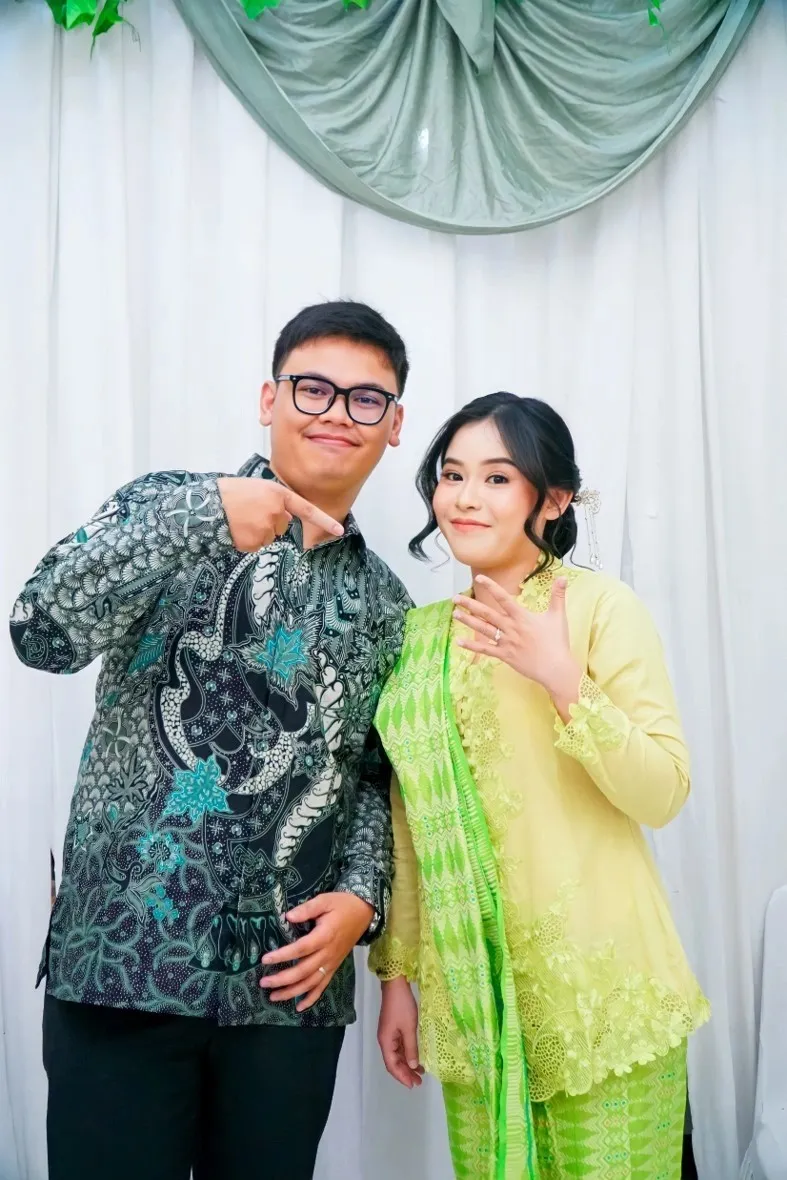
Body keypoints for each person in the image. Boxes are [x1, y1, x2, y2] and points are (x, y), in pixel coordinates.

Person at [10, 301, 413, 1180]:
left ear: (392, 425)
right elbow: (40, 632)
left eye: (365, 399)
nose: (336, 412)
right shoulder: (164, 506)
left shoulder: (389, 606)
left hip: (289, 989)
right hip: (123, 960)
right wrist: (198, 514)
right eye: (312, 388)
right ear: (269, 399)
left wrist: (361, 897)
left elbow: (374, 778)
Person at [369, 392, 710, 1180]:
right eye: (452, 474)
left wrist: (563, 680)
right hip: (475, 1005)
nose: (464, 497)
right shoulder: (419, 641)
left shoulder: (598, 608)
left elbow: (663, 791)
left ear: (552, 500)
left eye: (496, 478)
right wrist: (396, 980)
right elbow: (409, 824)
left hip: (602, 994)